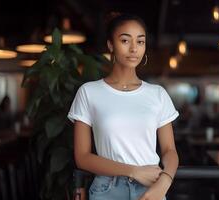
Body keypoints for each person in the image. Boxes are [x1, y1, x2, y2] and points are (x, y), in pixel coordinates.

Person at [67, 12, 179, 200]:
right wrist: (133, 171)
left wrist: (165, 181)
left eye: (140, 41)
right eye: (125, 41)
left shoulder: (157, 94)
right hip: (107, 190)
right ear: (111, 45)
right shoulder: (89, 92)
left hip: (151, 187)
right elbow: (82, 157)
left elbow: (169, 150)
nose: (134, 48)